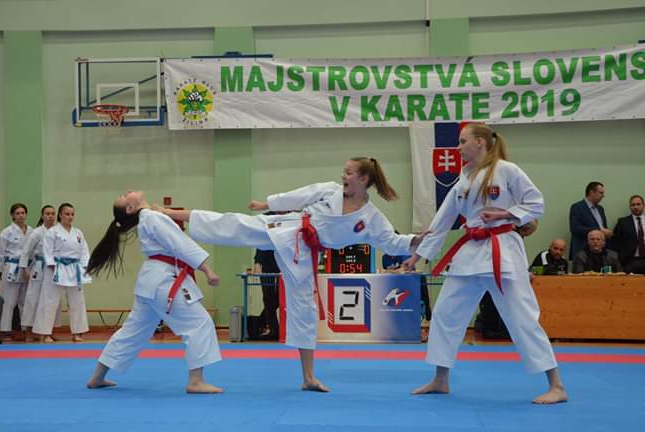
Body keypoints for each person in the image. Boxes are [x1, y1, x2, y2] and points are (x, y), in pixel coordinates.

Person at [163, 157, 424, 392]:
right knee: (237, 224)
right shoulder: (330, 191)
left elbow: (392, 242)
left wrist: (415, 241)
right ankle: (172, 214)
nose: (343, 176)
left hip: (305, 255)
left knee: (305, 308)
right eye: (343, 171)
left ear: (364, 179)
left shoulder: (371, 218)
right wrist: (267, 204)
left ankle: (308, 377)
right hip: (289, 229)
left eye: (348, 173)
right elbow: (300, 195)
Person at [403, 123, 567, 405]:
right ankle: (441, 379)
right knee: (444, 313)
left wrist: (506, 214)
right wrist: (419, 254)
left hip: (502, 250)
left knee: (522, 317)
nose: (458, 147)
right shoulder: (464, 179)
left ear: (480, 142)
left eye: (462, 141)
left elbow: (536, 203)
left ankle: (557, 385)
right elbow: (442, 221)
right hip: (470, 252)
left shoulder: (507, 170)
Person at [85, 190, 223, 393]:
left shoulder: (149, 217)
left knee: (132, 332)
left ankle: (97, 377)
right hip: (163, 281)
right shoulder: (150, 217)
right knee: (199, 323)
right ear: (130, 208)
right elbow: (181, 244)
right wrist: (207, 269)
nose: (127, 191)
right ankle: (196, 381)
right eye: (124, 196)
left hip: (150, 282)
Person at [32, 203, 90, 343]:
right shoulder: (52, 232)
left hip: (74, 269)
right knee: (50, 301)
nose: (70, 217)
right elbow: (47, 251)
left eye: (72, 214)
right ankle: (45, 333)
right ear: (60, 215)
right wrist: (53, 265)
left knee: (77, 301)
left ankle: (77, 332)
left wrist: (84, 266)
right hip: (56, 268)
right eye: (67, 214)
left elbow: (84, 251)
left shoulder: (78, 233)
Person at [18, 205, 61, 341]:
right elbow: (26, 252)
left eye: (53, 213)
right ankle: (28, 331)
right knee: (33, 299)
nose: (50, 216)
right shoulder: (36, 233)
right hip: (39, 267)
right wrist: (24, 269)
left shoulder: (58, 232)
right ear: (42, 216)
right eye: (47, 213)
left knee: (52, 299)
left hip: (54, 268)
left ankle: (48, 330)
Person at [0, 203, 33, 337]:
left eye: (23, 213)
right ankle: (4, 329)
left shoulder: (32, 231)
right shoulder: (6, 232)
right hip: (11, 268)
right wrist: (0, 272)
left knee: (25, 300)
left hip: (27, 268)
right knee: (8, 300)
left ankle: (26, 328)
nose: (21, 216)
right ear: (12, 215)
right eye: (17, 213)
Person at [569, 181, 611, 260]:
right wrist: (599, 231)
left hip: (600, 252)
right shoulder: (577, 207)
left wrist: (607, 233)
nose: (603, 196)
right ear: (591, 192)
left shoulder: (600, 209)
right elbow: (575, 228)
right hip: (583, 252)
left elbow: (603, 228)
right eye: (601, 193)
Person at [612, 194, 645, 274]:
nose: (636, 207)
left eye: (638, 204)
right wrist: (621, 257)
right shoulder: (623, 222)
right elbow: (615, 242)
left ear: (643, 205)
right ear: (630, 207)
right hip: (629, 261)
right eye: (633, 205)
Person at [253, 246, 280, 340]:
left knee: (280, 298)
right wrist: (257, 263)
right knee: (268, 298)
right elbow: (260, 245)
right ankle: (274, 330)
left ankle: (259, 322)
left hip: (283, 265)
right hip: (266, 266)